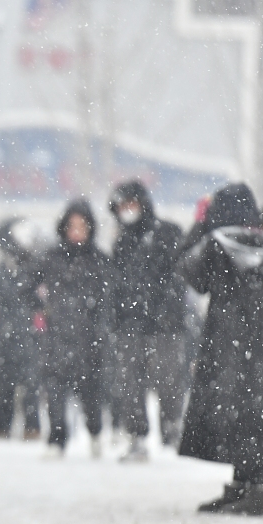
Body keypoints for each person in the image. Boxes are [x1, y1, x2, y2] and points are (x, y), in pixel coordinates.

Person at [179, 183, 263, 516]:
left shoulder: (216, 244)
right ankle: (247, 487)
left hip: (225, 345)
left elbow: (189, 272)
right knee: (254, 416)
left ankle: (252, 493)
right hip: (262, 347)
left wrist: (201, 225)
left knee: (235, 416)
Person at [107, 180, 188, 462]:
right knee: (131, 384)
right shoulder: (121, 241)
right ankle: (137, 436)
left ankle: (172, 432)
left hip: (165, 325)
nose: (127, 211)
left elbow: (179, 276)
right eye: (122, 206)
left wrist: (168, 310)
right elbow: (116, 283)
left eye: (131, 204)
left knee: (169, 382)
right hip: (131, 325)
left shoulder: (167, 233)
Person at [36, 199, 112, 459]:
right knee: (55, 392)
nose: (77, 231)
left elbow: (109, 299)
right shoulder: (52, 258)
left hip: (89, 339)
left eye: (82, 225)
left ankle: (95, 433)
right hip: (57, 336)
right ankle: (57, 439)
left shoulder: (99, 261)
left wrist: (100, 326)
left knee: (90, 393)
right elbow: (26, 284)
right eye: (72, 225)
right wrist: (41, 308)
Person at [0, 217, 42, 440]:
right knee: (5, 381)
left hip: (29, 332)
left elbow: (37, 299)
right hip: (6, 332)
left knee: (31, 381)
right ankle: (2, 426)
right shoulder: (5, 264)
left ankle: (32, 427)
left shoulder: (35, 264)